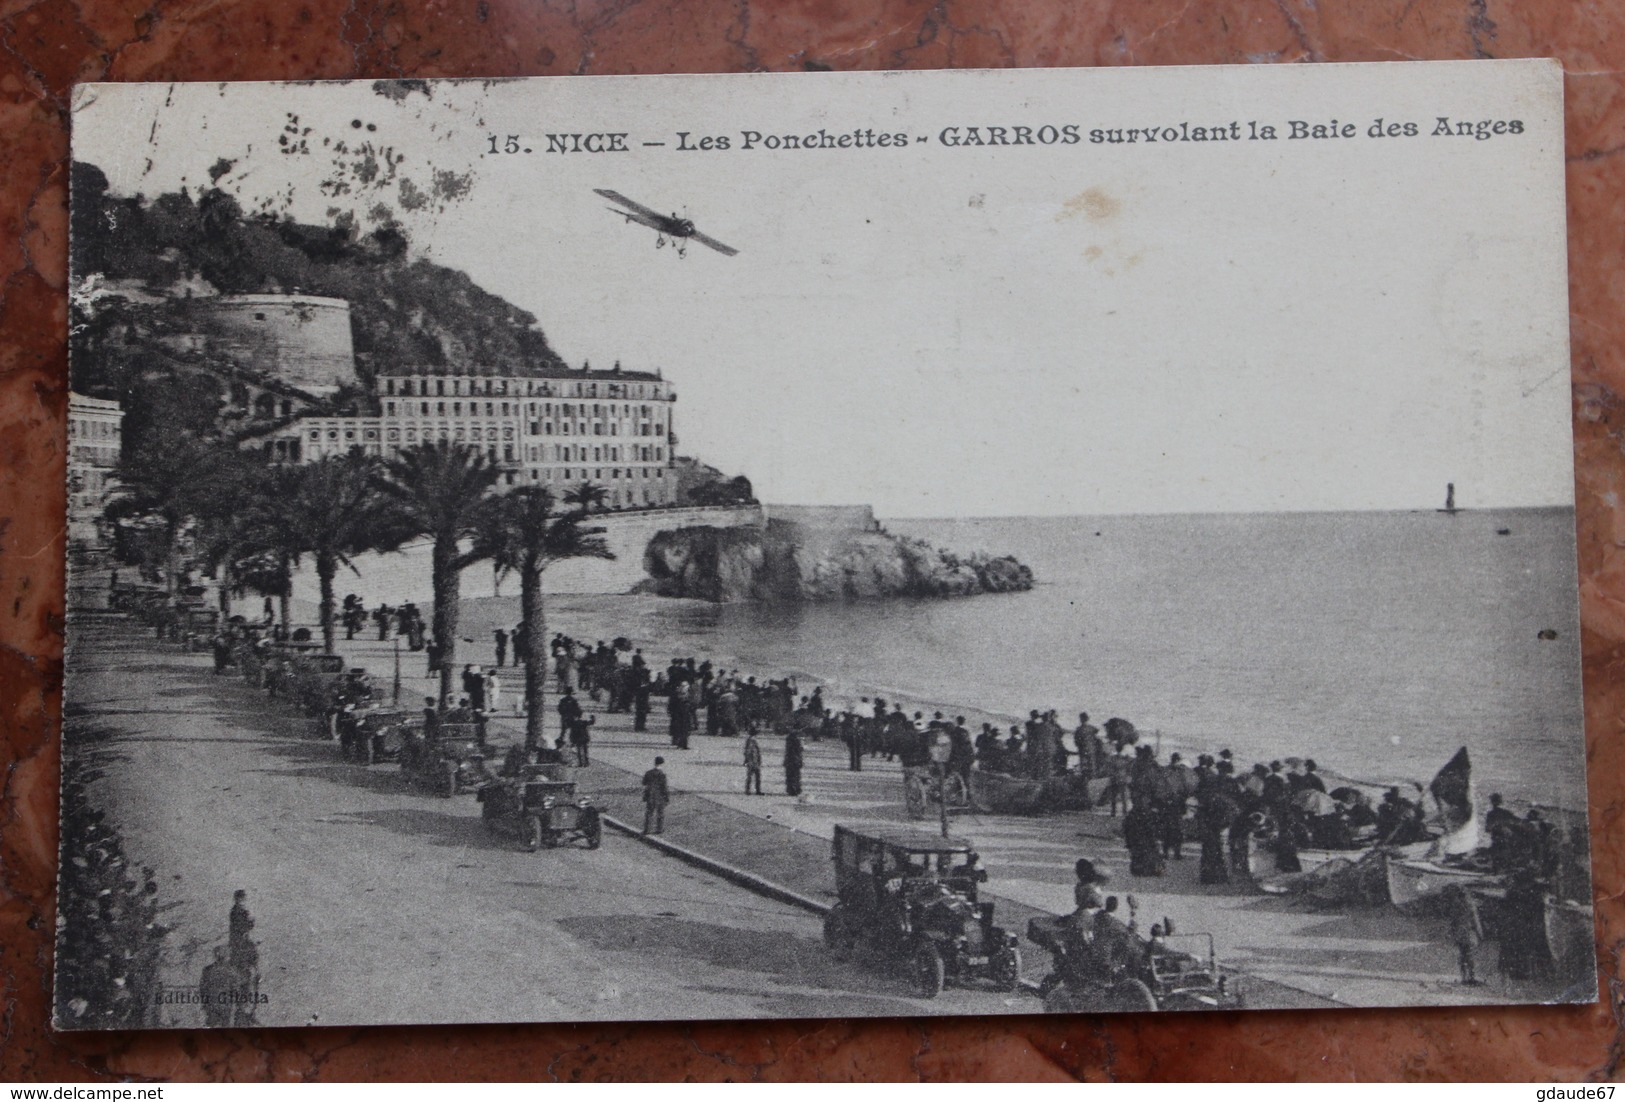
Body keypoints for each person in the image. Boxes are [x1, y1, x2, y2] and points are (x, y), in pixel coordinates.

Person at [1446, 884, 1485, 985]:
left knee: (1462, 955)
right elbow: (1476, 922)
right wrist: (1480, 934)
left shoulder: (1456, 907)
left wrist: (1452, 934)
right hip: (1469, 933)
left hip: (1459, 933)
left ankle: (1463, 977)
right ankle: (1471, 977)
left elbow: (1452, 922)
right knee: (1470, 955)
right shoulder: (1471, 906)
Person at [199, 946, 238, 1028]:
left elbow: (203, 989)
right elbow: (235, 989)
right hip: (226, 1004)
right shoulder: (232, 970)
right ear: (226, 956)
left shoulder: (207, 970)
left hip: (212, 1003)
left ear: (215, 956)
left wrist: (205, 1003)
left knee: (211, 1025)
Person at [642, 757, 669, 835]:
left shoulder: (648, 773)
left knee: (649, 813)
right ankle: (659, 829)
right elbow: (664, 787)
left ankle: (647, 829)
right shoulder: (662, 774)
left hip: (650, 795)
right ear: (662, 764)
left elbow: (644, 783)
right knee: (660, 813)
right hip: (659, 796)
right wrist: (667, 797)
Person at [784, 728, 805, 796]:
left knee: (790, 775)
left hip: (789, 760)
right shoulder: (797, 740)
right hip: (795, 760)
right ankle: (796, 789)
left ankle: (791, 789)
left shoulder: (788, 739)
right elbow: (800, 750)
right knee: (796, 775)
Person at [743, 727, 764, 795]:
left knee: (751, 776)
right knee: (756, 776)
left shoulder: (748, 740)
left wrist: (746, 759)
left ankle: (748, 790)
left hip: (751, 760)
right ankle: (756, 790)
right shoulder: (753, 740)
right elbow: (753, 751)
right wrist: (757, 760)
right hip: (753, 760)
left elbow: (746, 751)